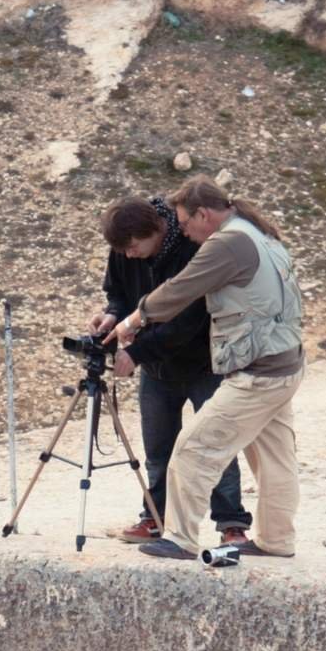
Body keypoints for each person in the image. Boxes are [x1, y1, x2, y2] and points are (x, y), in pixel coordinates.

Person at [111, 176, 303, 563]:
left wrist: (132, 321)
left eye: (184, 223)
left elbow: (181, 289)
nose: (183, 231)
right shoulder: (257, 233)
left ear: (204, 213)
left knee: (194, 448)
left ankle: (179, 537)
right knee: (274, 459)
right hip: (285, 364)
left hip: (259, 372)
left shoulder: (228, 243)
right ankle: (277, 539)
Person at [92, 196, 253, 547]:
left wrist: (135, 352)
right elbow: (118, 293)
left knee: (215, 442)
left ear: (155, 230)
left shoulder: (191, 245)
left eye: (134, 247)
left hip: (202, 362)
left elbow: (189, 320)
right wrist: (112, 315)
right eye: (124, 250)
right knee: (159, 448)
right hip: (155, 366)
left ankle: (231, 523)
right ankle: (154, 516)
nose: (130, 255)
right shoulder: (123, 247)